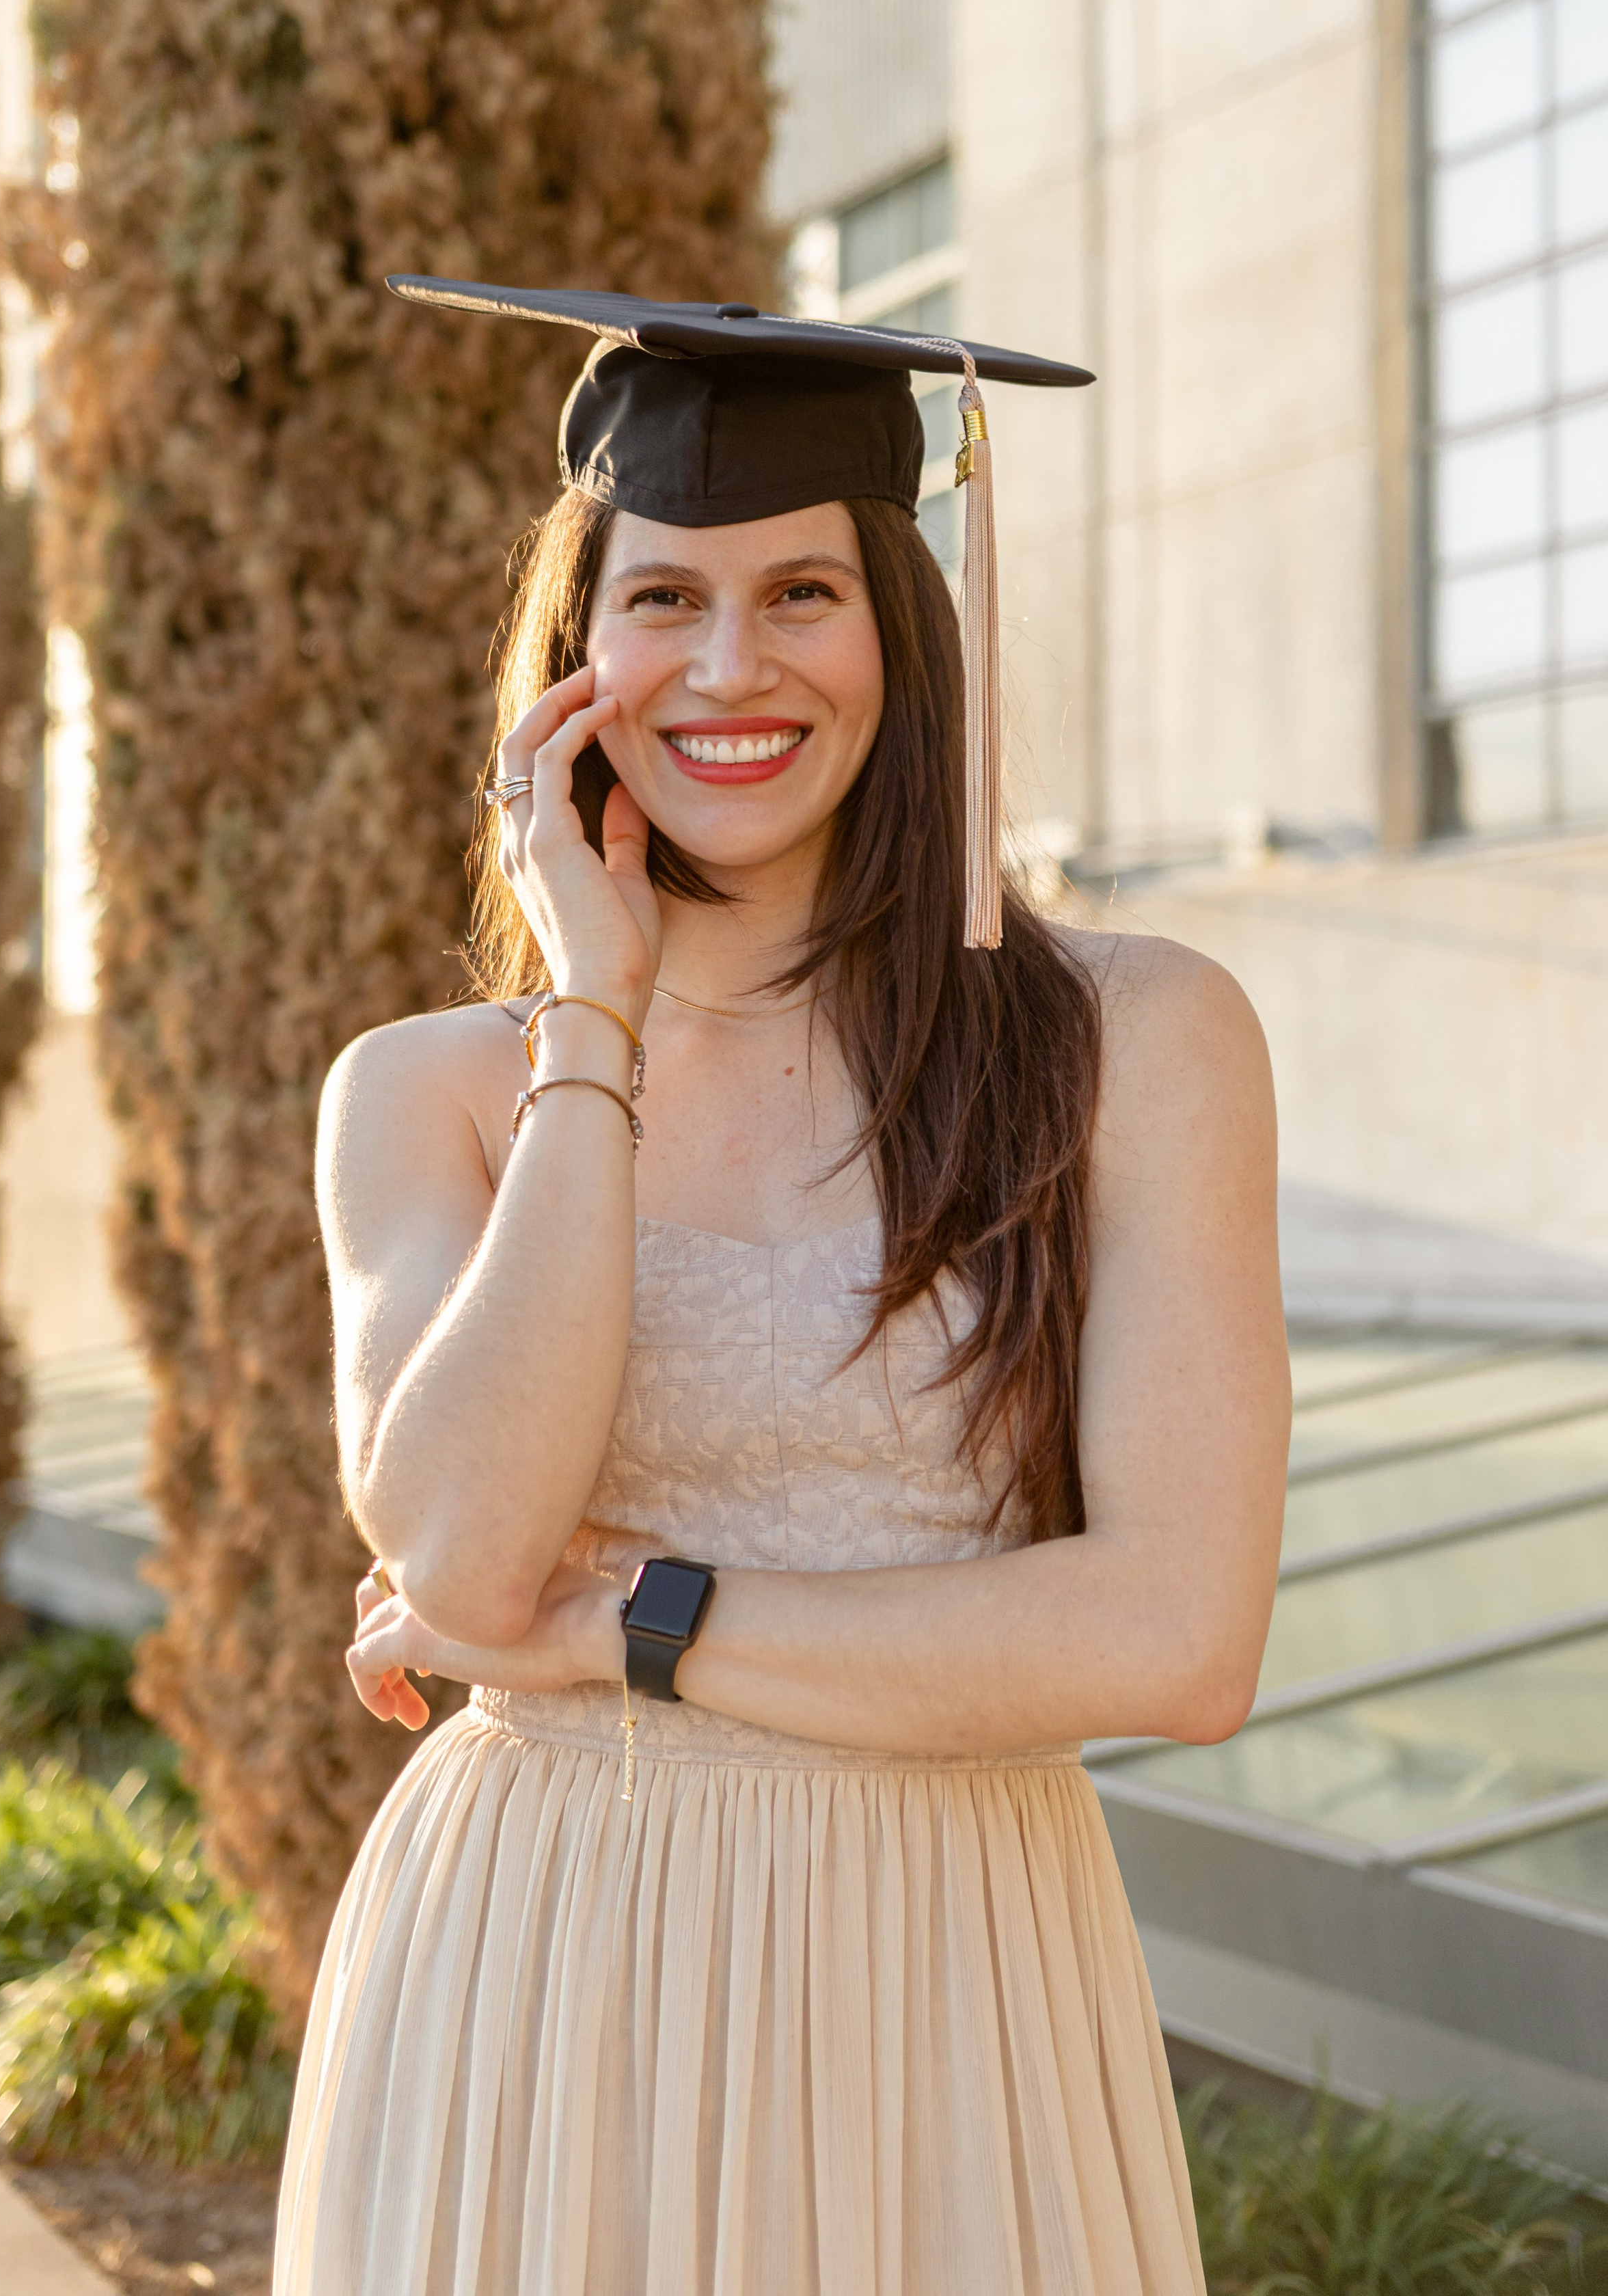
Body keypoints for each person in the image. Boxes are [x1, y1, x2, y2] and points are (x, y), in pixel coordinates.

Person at [272, 284, 1290, 2296]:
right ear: (576, 665)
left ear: (901, 635)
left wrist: (636, 1620)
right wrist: (597, 1011)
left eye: (802, 592)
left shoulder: (1132, 1040)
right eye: (663, 602)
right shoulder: (431, 1093)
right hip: (536, 1973)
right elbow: (467, 1567)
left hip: (947, 1971)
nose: (731, 666)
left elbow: (1179, 1638)